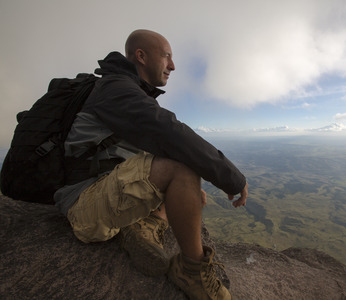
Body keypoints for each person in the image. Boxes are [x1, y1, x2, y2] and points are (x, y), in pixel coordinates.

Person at [54, 29, 248, 300]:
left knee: (187, 187)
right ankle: (191, 271)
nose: (173, 65)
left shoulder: (126, 90)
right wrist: (230, 177)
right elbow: (168, 131)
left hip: (106, 187)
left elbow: (137, 151)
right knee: (183, 169)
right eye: (167, 56)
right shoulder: (117, 90)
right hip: (84, 201)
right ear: (141, 56)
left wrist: (185, 193)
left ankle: (143, 225)